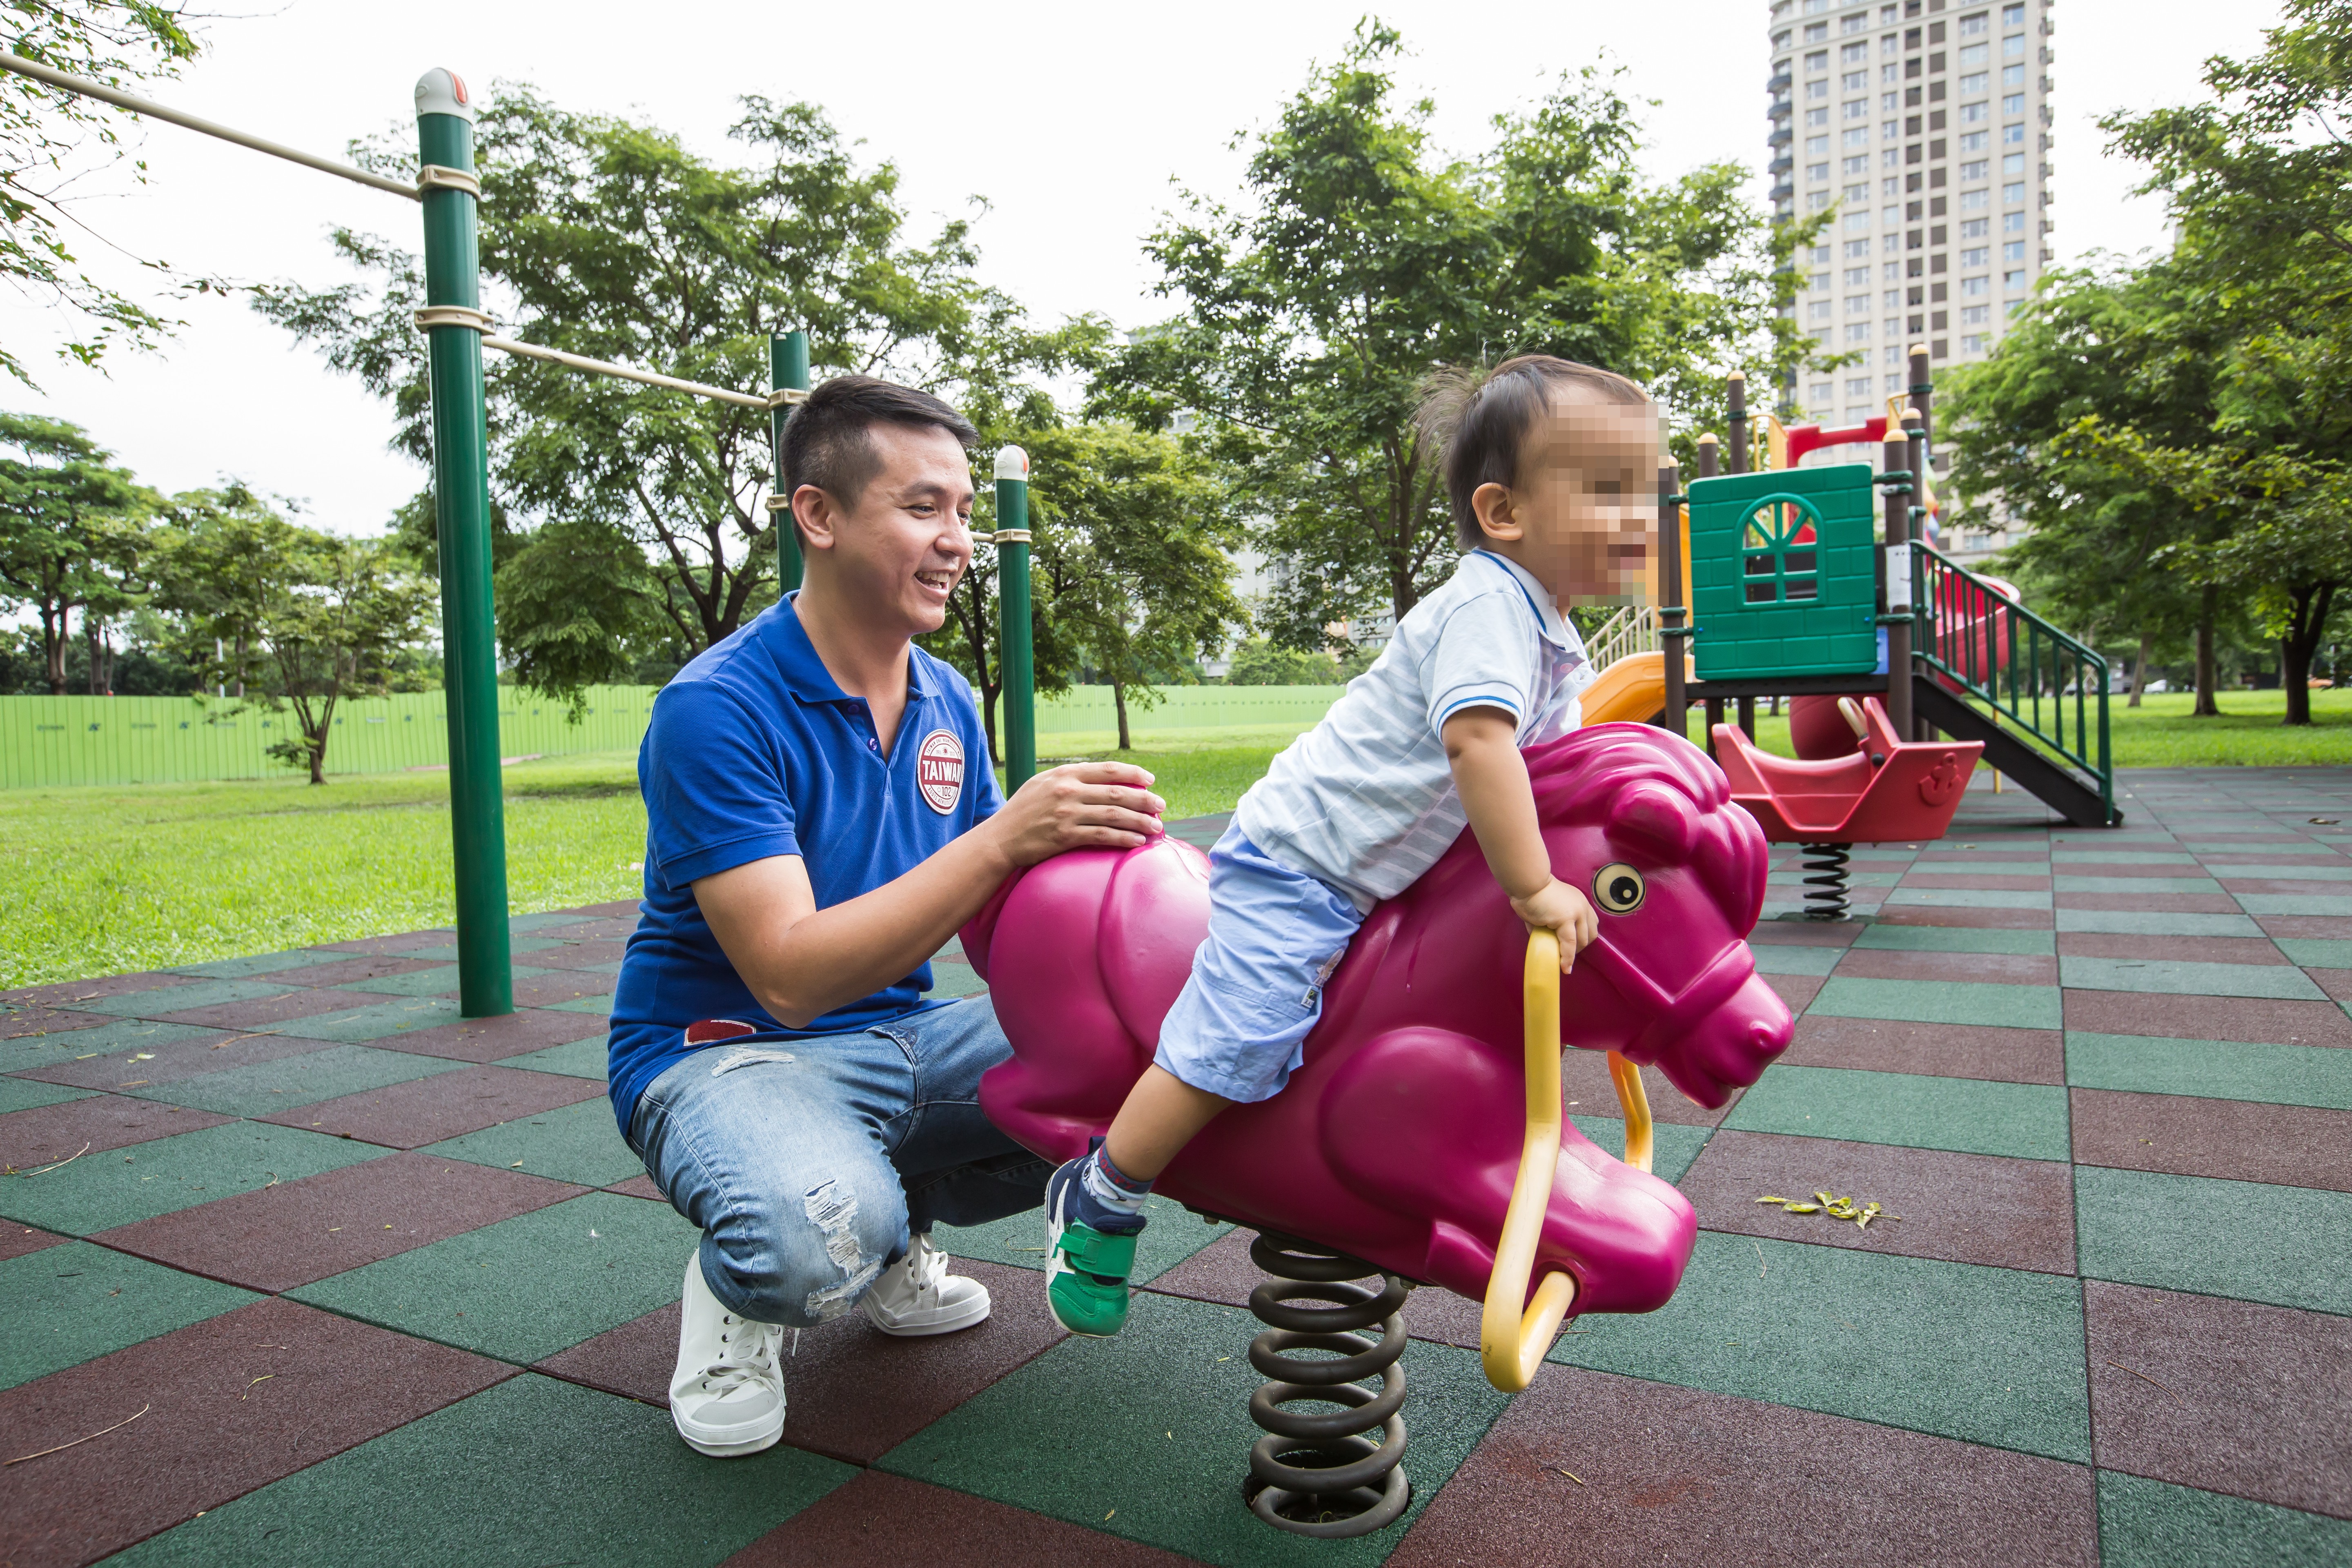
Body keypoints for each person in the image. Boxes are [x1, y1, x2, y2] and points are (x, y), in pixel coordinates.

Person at [1042, 355, 1661, 1336]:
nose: (1642, 515)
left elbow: (1555, 776)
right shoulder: (1488, 608)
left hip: (1384, 878)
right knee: (1240, 1035)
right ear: (1503, 512)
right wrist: (1537, 886)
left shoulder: (1555, 632)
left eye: (1650, 489)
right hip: (1305, 864)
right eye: (1606, 490)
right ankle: (1106, 1189)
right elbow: (1479, 745)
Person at [607, 374, 1166, 1457]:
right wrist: (1007, 837)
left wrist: (1115, 914)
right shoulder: (716, 709)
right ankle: (750, 1282)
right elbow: (788, 976)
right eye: (923, 509)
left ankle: (895, 1222)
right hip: (724, 1058)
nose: (958, 539)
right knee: (813, 1243)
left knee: (1159, 1049)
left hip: (896, 1040)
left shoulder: (948, 699)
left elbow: (999, 917)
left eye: (963, 510)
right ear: (818, 516)